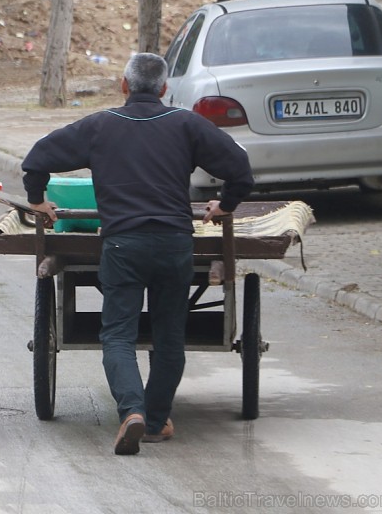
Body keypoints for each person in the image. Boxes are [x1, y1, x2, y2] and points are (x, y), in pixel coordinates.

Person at [21, 53, 254, 455]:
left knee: (117, 335)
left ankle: (131, 411)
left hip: (122, 244)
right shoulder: (185, 124)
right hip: (174, 244)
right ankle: (157, 418)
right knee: (169, 337)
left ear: (124, 85)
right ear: (164, 89)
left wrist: (37, 201)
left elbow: (37, 158)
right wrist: (226, 206)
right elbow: (240, 168)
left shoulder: (99, 125)